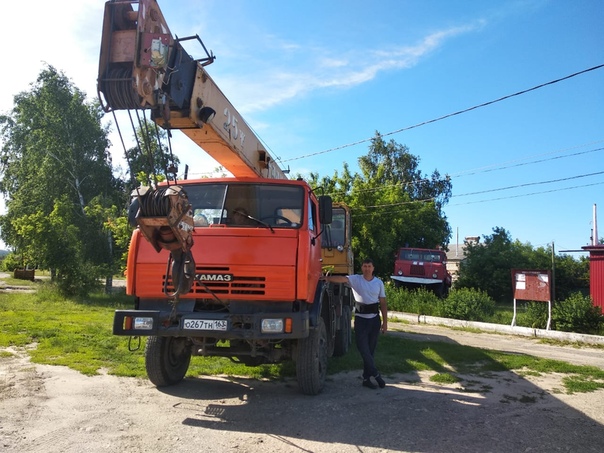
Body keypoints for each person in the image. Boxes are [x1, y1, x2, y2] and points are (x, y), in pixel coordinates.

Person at [321, 258, 387, 389]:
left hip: (374, 320)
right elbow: (342, 279)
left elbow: (383, 303)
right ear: (362, 268)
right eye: (364, 266)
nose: (367, 268)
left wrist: (385, 323)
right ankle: (376, 374)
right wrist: (327, 279)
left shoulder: (379, 283)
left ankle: (366, 378)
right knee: (363, 349)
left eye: (369, 266)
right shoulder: (356, 279)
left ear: (373, 268)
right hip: (361, 320)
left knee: (370, 351)